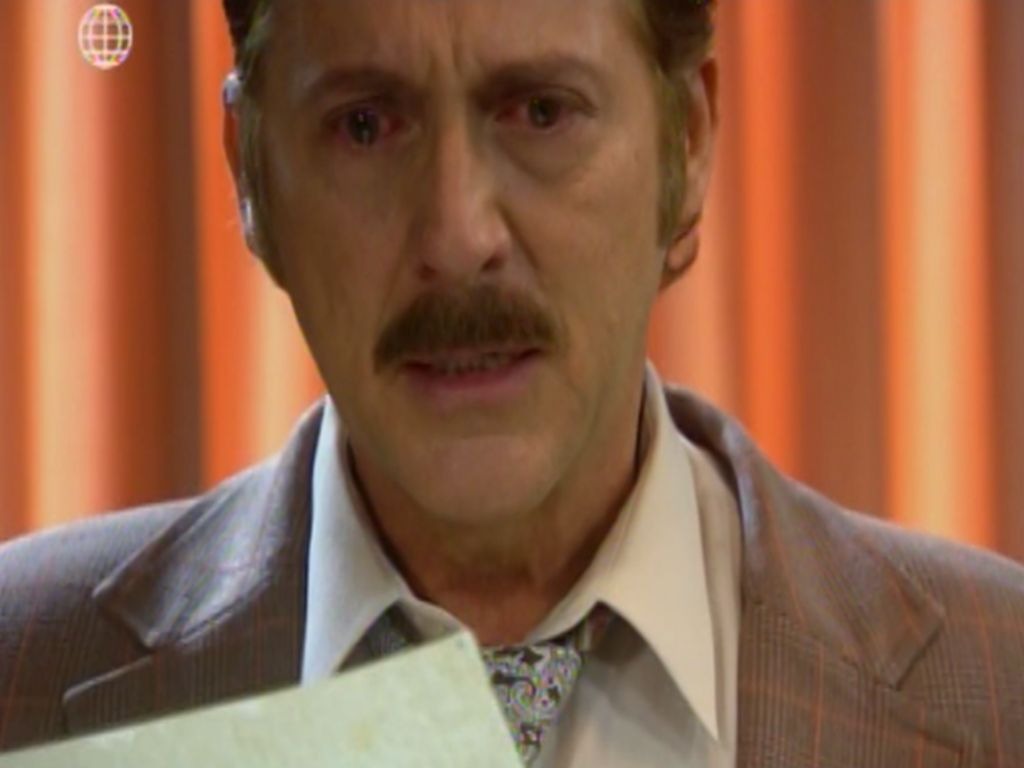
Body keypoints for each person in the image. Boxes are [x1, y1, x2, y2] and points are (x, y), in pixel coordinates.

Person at [1, 0, 1022, 765]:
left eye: (540, 112)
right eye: (366, 125)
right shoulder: (21, 676)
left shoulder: (998, 688)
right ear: (251, 173)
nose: (458, 237)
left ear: (688, 141)